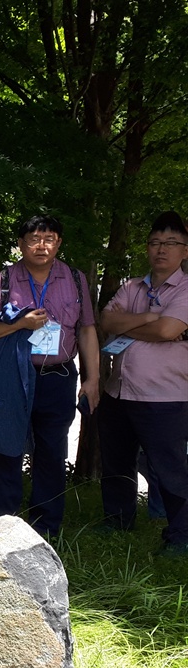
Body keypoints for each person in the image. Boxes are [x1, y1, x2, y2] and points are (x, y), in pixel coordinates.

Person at [0, 215, 99, 537]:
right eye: (34, 239)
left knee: (52, 451)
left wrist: (92, 379)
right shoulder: (3, 280)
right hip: (12, 374)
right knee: (7, 446)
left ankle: (47, 528)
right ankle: (5, 524)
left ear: (58, 243)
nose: (42, 245)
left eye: (50, 238)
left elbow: (86, 329)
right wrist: (19, 324)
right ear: (20, 243)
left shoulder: (74, 278)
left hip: (57, 375)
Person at [97, 211, 188, 553]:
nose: (161, 249)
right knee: (117, 463)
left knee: (170, 468)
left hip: (164, 395)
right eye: (155, 242)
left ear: (185, 251)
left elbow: (169, 330)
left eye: (171, 243)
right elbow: (107, 320)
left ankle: (181, 535)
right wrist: (150, 317)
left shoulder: (186, 289)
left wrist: (131, 324)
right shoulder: (130, 286)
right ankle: (117, 522)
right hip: (118, 390)